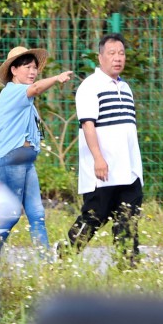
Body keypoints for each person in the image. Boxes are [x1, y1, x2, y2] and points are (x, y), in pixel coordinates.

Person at [63, 33, 143, 266]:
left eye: (121, 53)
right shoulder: (90, 86)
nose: (117, 58)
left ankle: (126, 264)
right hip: (103, 170)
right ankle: (65, 253)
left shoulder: (126, 87)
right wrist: (98, 158)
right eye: (111, 53)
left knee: (128, 217)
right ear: (100, 57)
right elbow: (88, 124)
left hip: (128, 170)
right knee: (94, 216)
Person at [0, 45, 73, 253]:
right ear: (14, 70)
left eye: (35, 68)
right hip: (11, 159)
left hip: (25, 161)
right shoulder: (12, 92)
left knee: (37, 213)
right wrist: (56, 78)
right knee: (10, 214)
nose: (32, 72)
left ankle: (45, 263)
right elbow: (36, 88)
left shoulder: (28, 102)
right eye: (27, 67)